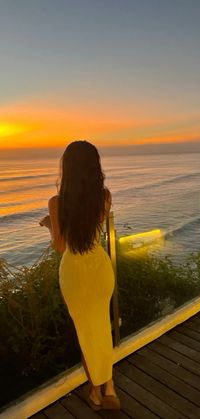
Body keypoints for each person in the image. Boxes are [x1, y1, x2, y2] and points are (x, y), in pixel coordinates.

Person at [39, 140, 120, 411]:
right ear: (95, 167)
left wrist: (51, 224)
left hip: (74, 271)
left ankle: (97, 392)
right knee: (100, 328)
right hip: (100, 268)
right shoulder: (105, 196)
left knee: (86, 332)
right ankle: (109, 389)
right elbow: (91, 230)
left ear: (67, 169)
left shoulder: (56, 202)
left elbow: (62, 246)